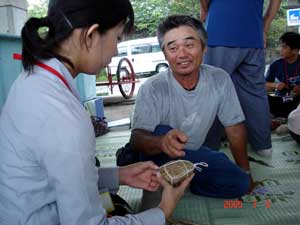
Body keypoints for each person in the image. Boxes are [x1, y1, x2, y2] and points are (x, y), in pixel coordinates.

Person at [0, 1, 193, 224]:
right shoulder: (64, 116)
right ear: (91, 35)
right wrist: (163, 211)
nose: (116, 50)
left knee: (112, 201)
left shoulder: (32, 80)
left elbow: (55, 173)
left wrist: (119, 175)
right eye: (117, 38)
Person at [129, 15, 253, 209]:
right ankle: (169, 177)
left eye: (189, 45)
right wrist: (162, 142)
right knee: (161, 131)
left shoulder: (219, 79)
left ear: (204, 48)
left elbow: (234, 127)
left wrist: (246, 171)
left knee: (239, 183)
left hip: (193, 156)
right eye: (173, 48)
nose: (182, 54)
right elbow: (137, 138)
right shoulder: (152, 87)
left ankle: (187, 181)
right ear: (165, 54)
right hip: (159, 157)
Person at [199, 0, 282, 157]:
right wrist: (265, 24)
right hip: (253, 34)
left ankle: (209, 147)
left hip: (220, 28)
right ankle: (263, 146)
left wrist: (204, 9)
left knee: (212, 90)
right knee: (255, 93)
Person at [265, 32, 300, 118]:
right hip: (281, 100)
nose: (280, 49)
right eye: (281, 46)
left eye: (284, 47)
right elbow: (264, 85)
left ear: (295, 50)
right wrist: (276, 85)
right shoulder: (276, 65)